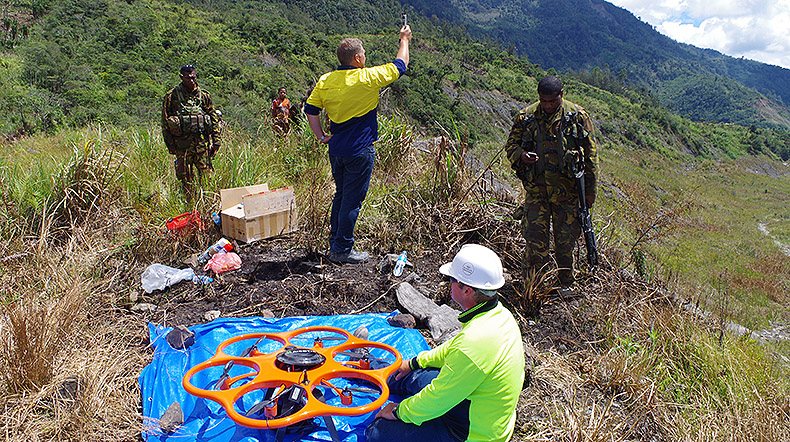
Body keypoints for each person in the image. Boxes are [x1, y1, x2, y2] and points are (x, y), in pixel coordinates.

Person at [366, 244, 525, 442]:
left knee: (376, 433)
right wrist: (414, 363)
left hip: (471, 432)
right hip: (475, 403)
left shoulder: (475, 342)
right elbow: (452, 349)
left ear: (466, 290)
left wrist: (399, 411)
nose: (448, 283)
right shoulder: (499, 315)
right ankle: (368, 368)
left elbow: (439, 398)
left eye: (452, 280)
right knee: (410, 375)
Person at [304, 25, 412, 264]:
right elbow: (400, 65)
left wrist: (321, 135)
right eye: (363, 54)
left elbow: (311, 109)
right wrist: (404, 39)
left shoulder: (326, 80)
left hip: (337, 149)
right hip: (359, 149)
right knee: (352, 199)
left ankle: (336, 243)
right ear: (357, 58)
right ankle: (342, 250)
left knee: (341, 195)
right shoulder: (367, 78)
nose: (365, 57)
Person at [504, 75, 598, 292]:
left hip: (567, 193)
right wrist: (521, 155)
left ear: (561, 96)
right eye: (543, 101)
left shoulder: (577, 117)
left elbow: (591, 155)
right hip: (536, 191)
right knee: (535, 239)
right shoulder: (526, 117)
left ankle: (565, 284)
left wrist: (590, 191)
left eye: (552, 101)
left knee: (565, 241)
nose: (547, 106)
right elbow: (511, 146)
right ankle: (533, 287)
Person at [161, 64, 223, 195]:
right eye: (188, 78)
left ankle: (207, 206)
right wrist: (170, 145)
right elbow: (165, 122)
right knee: (186, 180)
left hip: (202, 145)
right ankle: (190, 208)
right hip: (182, 146)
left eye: (193, 77)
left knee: (207, 179)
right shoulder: (172, 96)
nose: (191, 80)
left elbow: (213, 118)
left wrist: (216, 141)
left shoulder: (204, 96)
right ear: (181, 77)